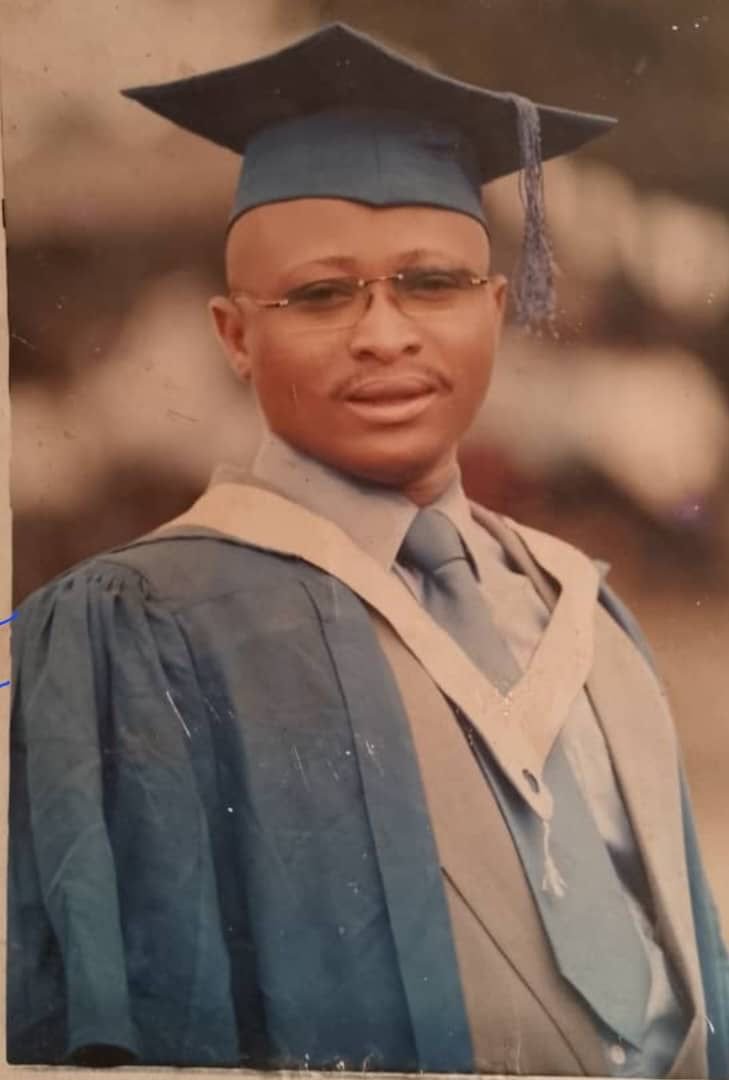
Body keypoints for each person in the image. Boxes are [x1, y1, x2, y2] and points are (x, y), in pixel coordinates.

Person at [7, 22, 729, 1077]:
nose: (385, 334)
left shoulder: (580, 611)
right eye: (320, 293)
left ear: (496, 310)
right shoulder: (139, 631)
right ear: (233, 336)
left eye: (432, 284)